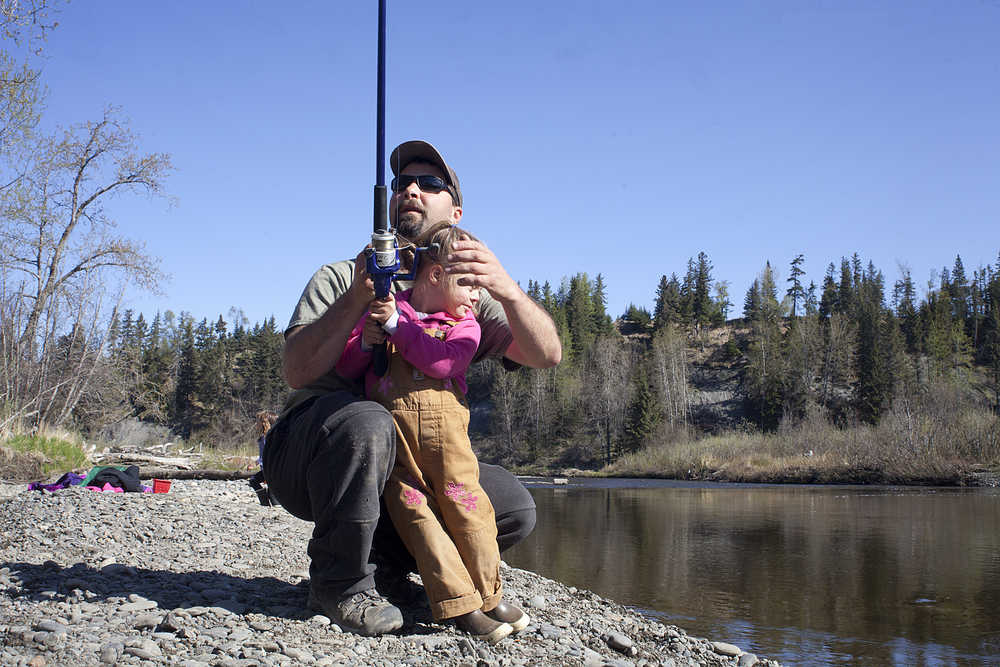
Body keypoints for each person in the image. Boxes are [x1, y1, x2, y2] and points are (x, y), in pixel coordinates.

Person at [262, 140, 561, 636]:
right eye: (401, 183)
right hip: (313, 456)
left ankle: (391, 568)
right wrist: (361, 294)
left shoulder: (467, 295)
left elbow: (546, 353)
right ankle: (339, 585)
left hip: (410, 464)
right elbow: (296, 371)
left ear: (455, 209)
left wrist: (505, 288)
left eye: (430, 183)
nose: (411, 191)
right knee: (369, 423)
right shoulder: (342, 276)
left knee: (509, 505)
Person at [337, 222, 529, 643]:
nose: (479, 296)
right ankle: (460, 604)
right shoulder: (388, 309)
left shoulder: (466, 325)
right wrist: (367, 341)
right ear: (436, 275)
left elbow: (442, 364)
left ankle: (489, 593)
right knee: (415, 515)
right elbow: (348, 369)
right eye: (470, 284)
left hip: (449, 443)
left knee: (469, 509)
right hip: (397, 443)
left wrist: (394, 330)